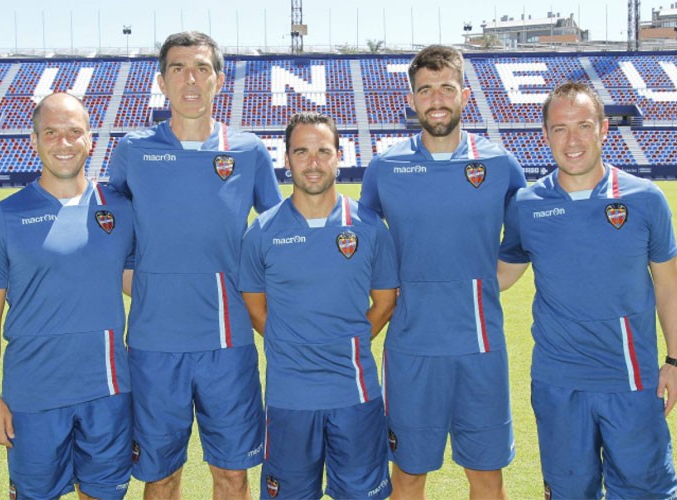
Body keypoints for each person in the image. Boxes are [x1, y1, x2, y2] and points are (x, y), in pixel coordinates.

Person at [108, 31, 282, 499]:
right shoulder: (134, 149)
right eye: (179, 68)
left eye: (202, 68)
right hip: (153, 345)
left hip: (228, 345)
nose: (191, 78)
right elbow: (110, 229)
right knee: (160, 476)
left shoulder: (247, 151)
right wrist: (143, 281)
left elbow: (278, 235)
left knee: (231, 474)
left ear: (219, 80)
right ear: (162, 82)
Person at [498, 81, 677, 498]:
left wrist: (676, 361)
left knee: (645, 492)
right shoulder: (527, 204)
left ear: (603, 129)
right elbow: (501, 275)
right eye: (560, 128)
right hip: (557, 383)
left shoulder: (645, 199)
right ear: (545, 135)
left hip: (631, 381)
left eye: (583, 126)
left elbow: (668, 286)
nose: (572, 141)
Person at [359, 45, 525, 499]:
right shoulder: (386, 167)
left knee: (487, 477)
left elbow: (524, 241)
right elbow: (360, 248)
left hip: (480, 346)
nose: (437, 99)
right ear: (412, 99)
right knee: (409, 475)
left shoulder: (498, 164)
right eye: (426, 90)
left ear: (464, 95)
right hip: (411, 348)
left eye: (446, 88)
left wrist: (486, 284)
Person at [0, 92, 135, 499]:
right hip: (34, 398)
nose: (64, 142)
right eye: (51, 132)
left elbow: (141, 283)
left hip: (109, 392)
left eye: (74, 132)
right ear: (34, 139)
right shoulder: (3, 218)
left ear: (90, 139)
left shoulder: (121, 209)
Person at [239, 112, 398, 500]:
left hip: (355, 394)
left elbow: (385, 302)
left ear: (339, 156)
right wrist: (296, 342)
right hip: (288, 399)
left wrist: (346, 340)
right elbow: (257, 311)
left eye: (323, 151)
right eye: (302, 152)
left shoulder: (370, 226)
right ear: (287, 159)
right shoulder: (262, 232)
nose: (313, 162)